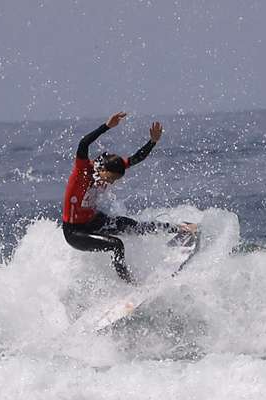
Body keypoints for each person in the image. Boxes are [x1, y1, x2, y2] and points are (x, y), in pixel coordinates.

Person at [61, 111, 195, 283]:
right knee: (116, 245)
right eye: (110, 178)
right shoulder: (83, 171)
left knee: (134, 226)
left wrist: (153, 142)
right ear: (102, 170)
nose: (111, 181)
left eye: (114, 180)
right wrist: (106, 126)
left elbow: (137, 158)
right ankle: (129, 284)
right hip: (75, 232)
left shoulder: (112, 166)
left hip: (94, 221)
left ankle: (181, 228)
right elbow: (83, 144)